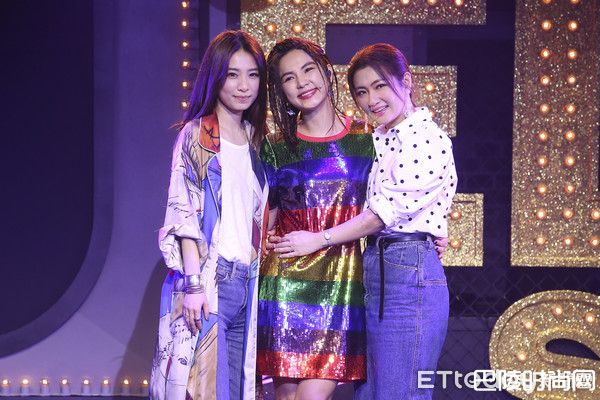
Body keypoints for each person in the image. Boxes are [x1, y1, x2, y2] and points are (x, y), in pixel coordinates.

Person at [273, 43, 457, 400]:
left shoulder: (425, 137)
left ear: (407, 81)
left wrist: (318, 239)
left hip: (406, 270)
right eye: (361, 92)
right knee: (371, 392)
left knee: (400, 393)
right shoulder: (378, 137)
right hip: (372, 266)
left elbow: (382, 214)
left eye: (380, 86)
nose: (372, 100)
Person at [149, 30, 269, 400]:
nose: (244, 86)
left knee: (236, 391)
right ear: (215, 76)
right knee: (200, 391)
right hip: (209, 283)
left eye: (252, 75)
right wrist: (193, 285)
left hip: (248, 284)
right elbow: (183, 213)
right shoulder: (197, 135)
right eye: (232, 74)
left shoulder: (256, 140)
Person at [257, 37, 373, 400]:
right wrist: (264, 238)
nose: (302, 83)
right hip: (285, 285)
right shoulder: (275, 146)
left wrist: (432, 231)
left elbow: (387, 207)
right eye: (289, 78)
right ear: (281, 90)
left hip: (340, 284)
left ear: (325, 70)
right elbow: (265, 220)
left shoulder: (367, 138)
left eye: (308, 70)